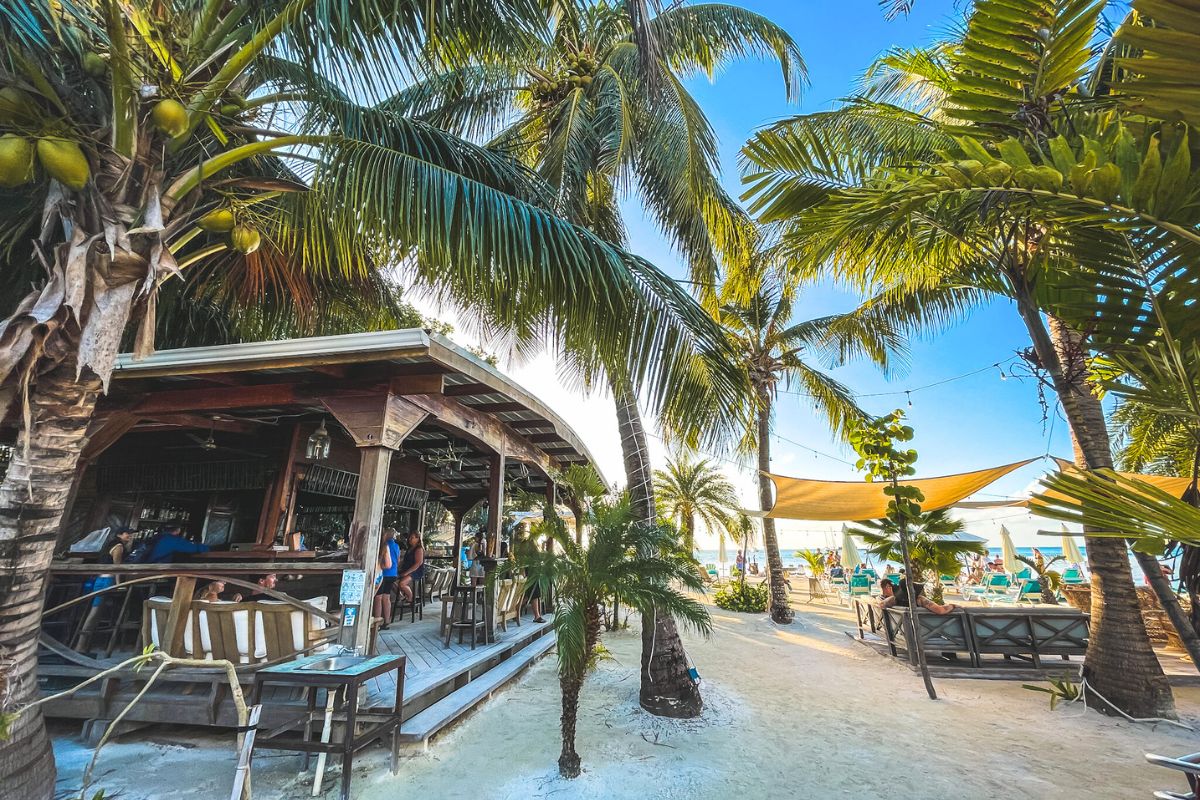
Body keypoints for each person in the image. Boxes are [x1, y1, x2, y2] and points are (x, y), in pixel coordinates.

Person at [74, 529, 135, 652]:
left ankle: (82, 644)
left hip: (100, 579)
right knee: (95, 612)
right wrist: (118, 584)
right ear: (119, 534)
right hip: (108, 580)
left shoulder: (109, 545)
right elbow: (117, 568)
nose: (130, 535)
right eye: (127, 533)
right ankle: (80, 645)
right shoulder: (118, 547)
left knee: (95, 610)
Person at [880, 578, 960, 615]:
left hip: (901, 632)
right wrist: (952, 605)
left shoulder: (893, 600)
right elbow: (941, 610)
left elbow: (881, 604)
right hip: (923, 632)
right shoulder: (920, 600)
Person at [374, 528, 401, 627]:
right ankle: (387, 621)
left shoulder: (383, 545)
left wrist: (379, 566)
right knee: (386, 597)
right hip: (393, 574)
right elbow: (398, 560)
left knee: (378, 598)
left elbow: (386, 563)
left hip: (383, 574)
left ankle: (376, 623)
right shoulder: (397, 546)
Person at [397, 530, 426, 607]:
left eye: (412, 538)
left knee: (402, 583)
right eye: (409, 537)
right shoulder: (410, 548)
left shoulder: (419, 549)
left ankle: (410, 598)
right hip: (406, 569)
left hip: (415, 571)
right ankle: (402, 595)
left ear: (417, 539)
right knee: (392, 580)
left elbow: (418, 564)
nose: (410, 539)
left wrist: (406, 573)